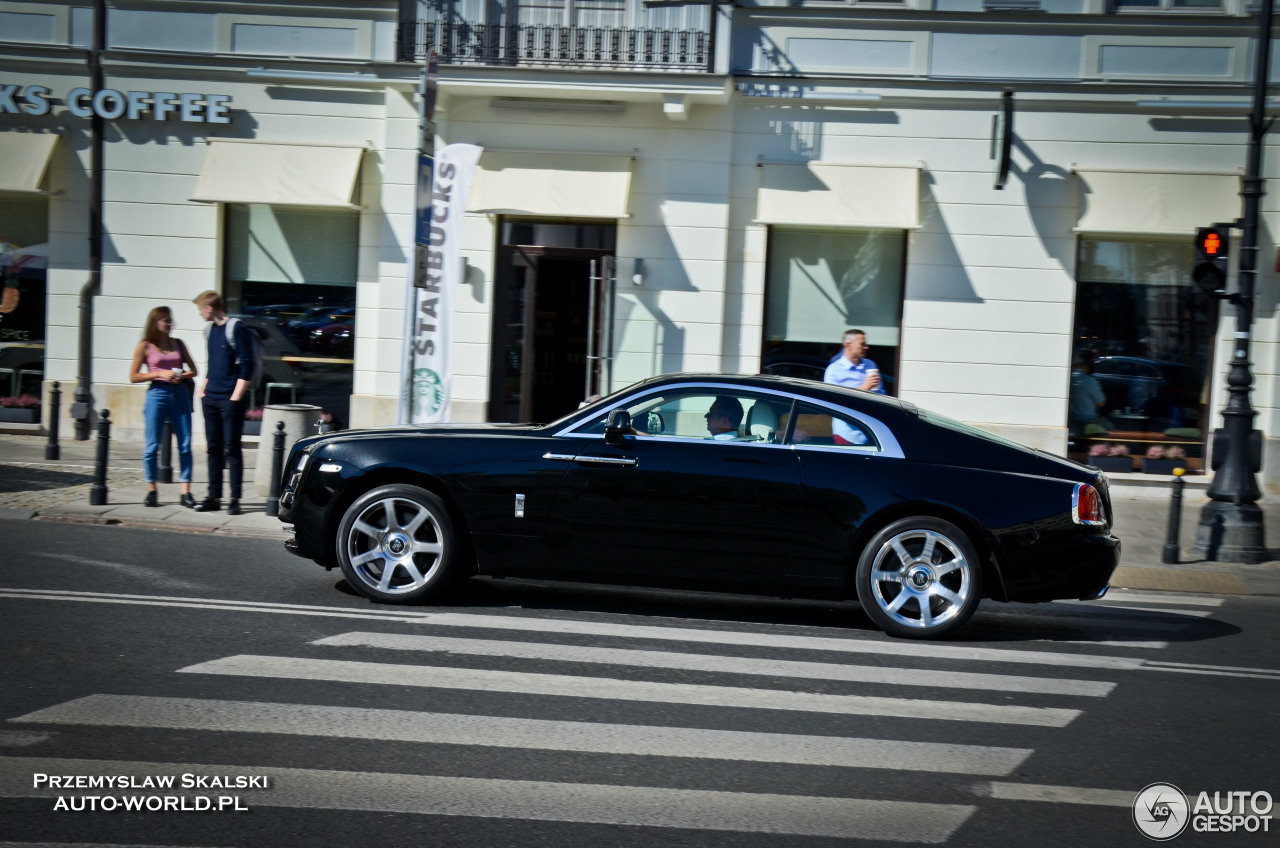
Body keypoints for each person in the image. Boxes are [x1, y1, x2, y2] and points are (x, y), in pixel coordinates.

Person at [128, 306, 198, 508]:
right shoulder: (145, 346)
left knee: (185, 444)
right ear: (155, 323)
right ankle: (152, 489)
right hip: (157, 393)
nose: (169, 324)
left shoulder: (178, 344)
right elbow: (133, 376)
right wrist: (158, 374)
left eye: (170, 320)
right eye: (165, 320)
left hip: (179, 394)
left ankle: (185, 491)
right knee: (152, 445)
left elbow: (194, 370)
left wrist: (180, 375)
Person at [192, 290, 252, 515]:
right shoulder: (209, 330)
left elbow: (247, 365)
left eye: (200, 309)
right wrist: (204, 388)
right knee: (213, 449)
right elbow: (212, 362)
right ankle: (214, 496)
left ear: (209, 308)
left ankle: (235, 499)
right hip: (211, 398)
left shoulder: (236, 328)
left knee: (232, 449)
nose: (199, 313)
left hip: (230, 399)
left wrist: (235, 397)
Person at [823, 328, 881, 445]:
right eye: (862, 344)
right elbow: (833, 403)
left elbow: (881, 394)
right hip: (847, 435)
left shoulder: (870, 365)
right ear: (849, 345)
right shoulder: (834, 371)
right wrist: (865, 387)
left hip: (872, 432)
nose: (866, 347)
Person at [1069, 356, 1110, 436]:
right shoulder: (1089, 381)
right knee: (1109, 428)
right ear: (1086, 366)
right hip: (1088, 422)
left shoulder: (1068, 378)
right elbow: (1101, 403)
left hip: (1071, 421)